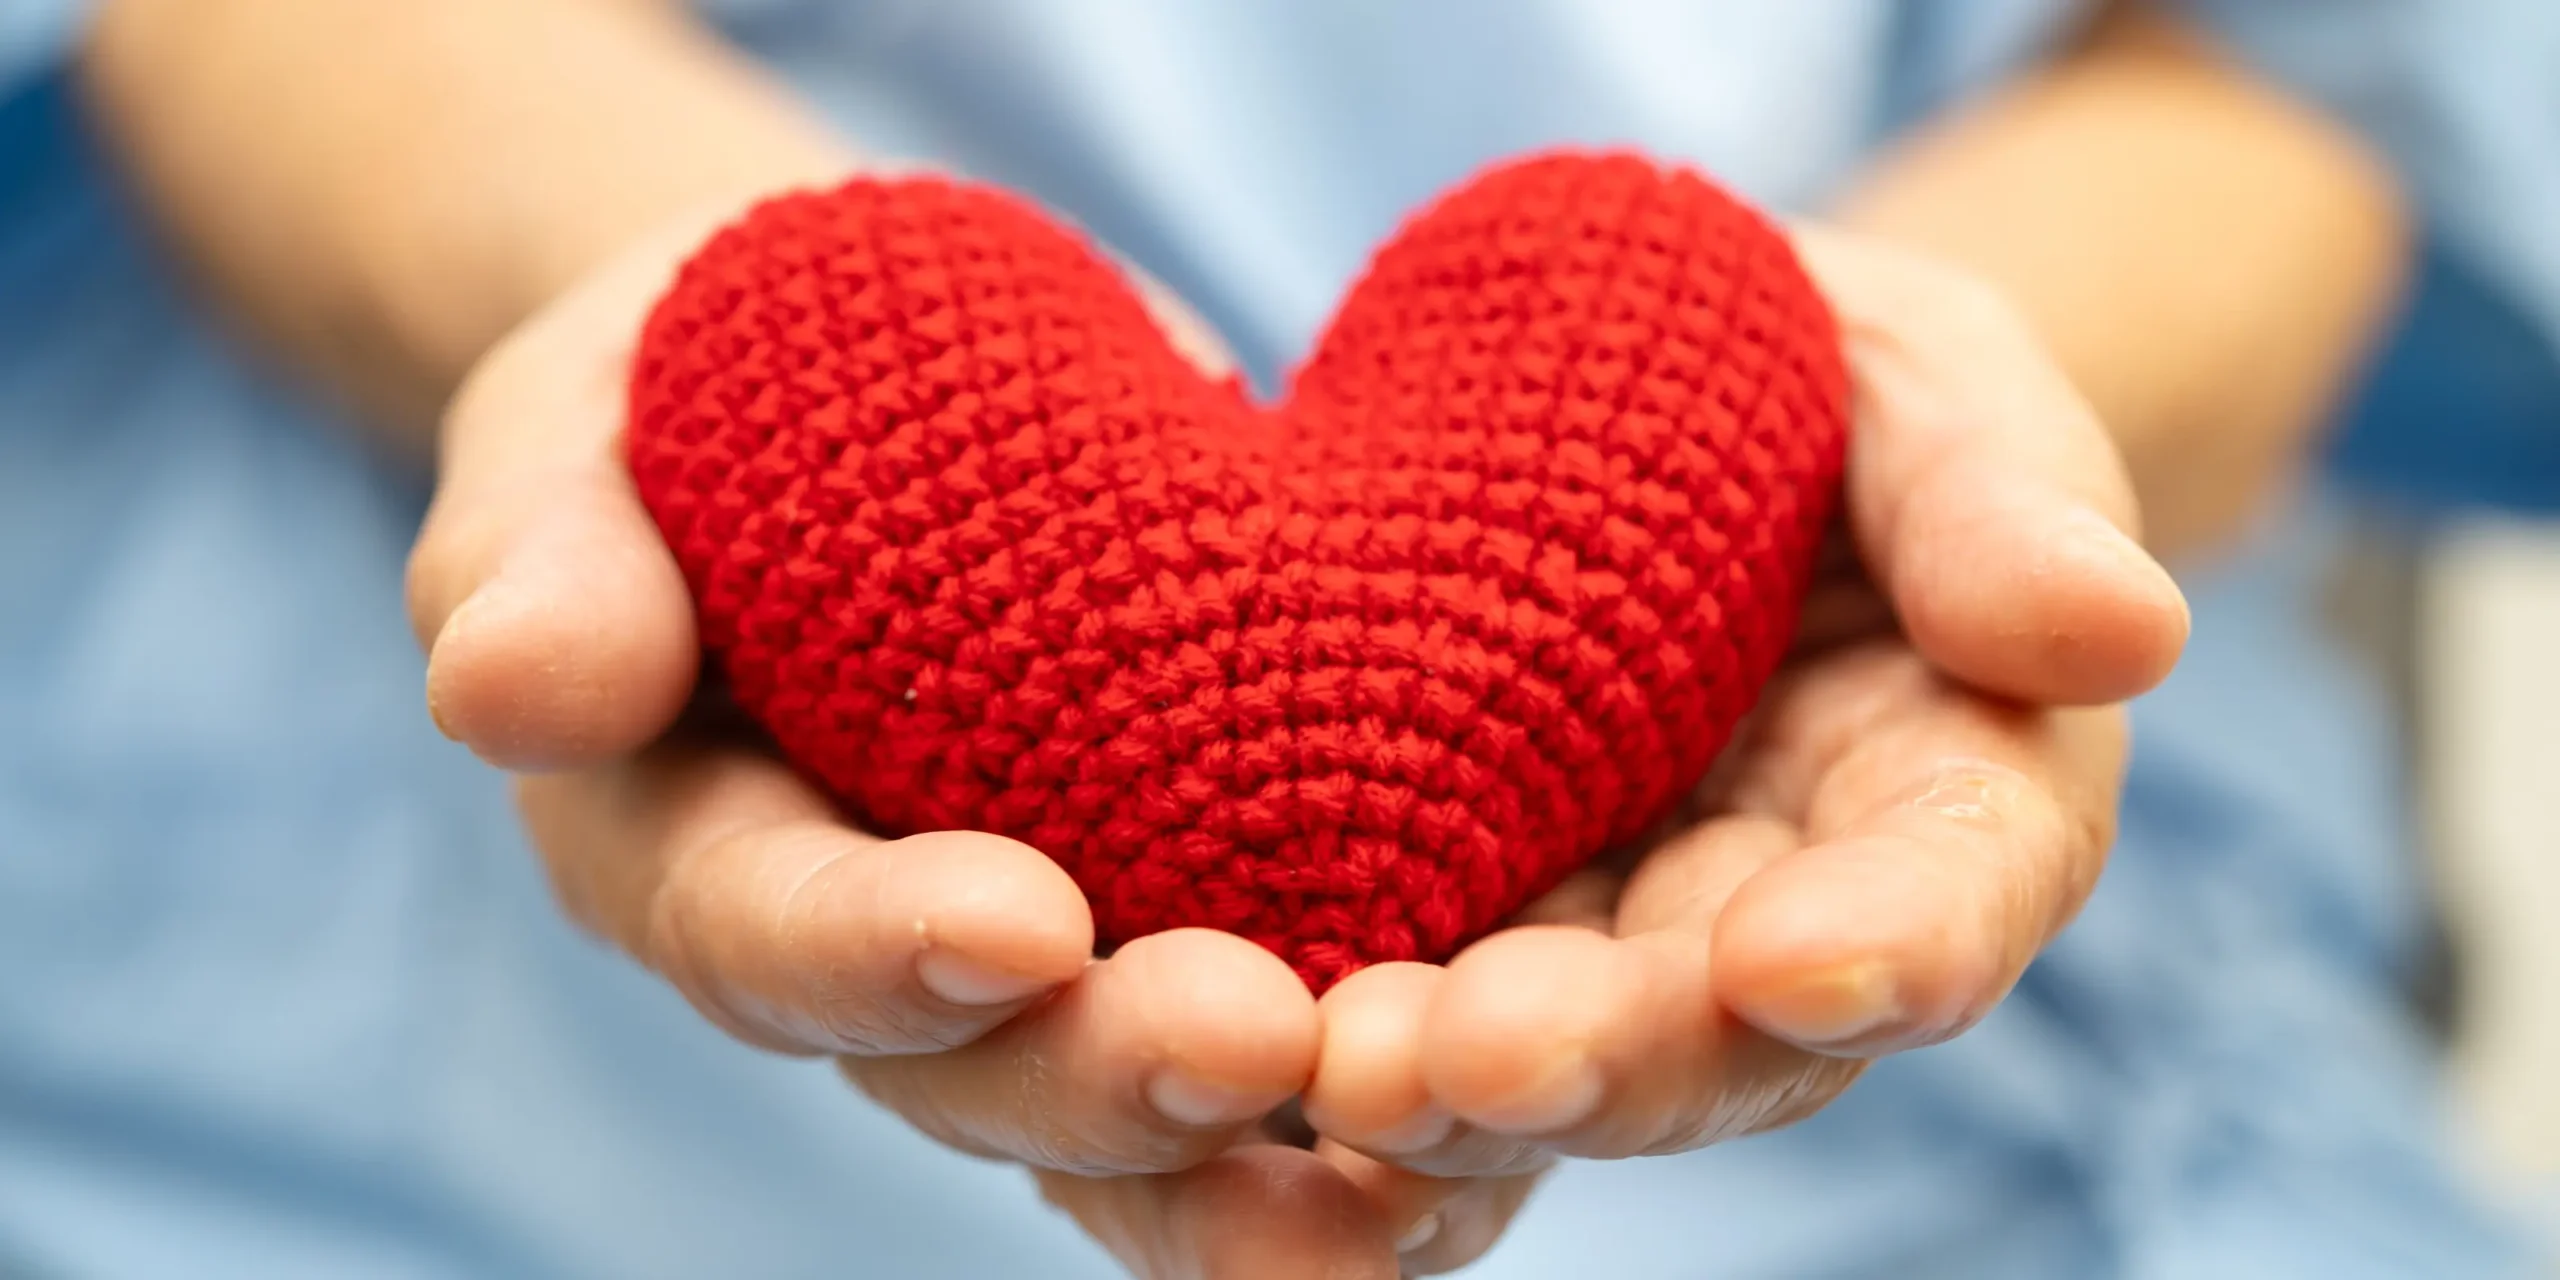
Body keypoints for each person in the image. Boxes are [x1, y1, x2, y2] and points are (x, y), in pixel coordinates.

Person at [0, 0, 2541, 1275]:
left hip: (2070, 1171)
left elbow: (2317, 82)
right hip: (379, 1134)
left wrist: (1909, 394)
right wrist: (601, 275)